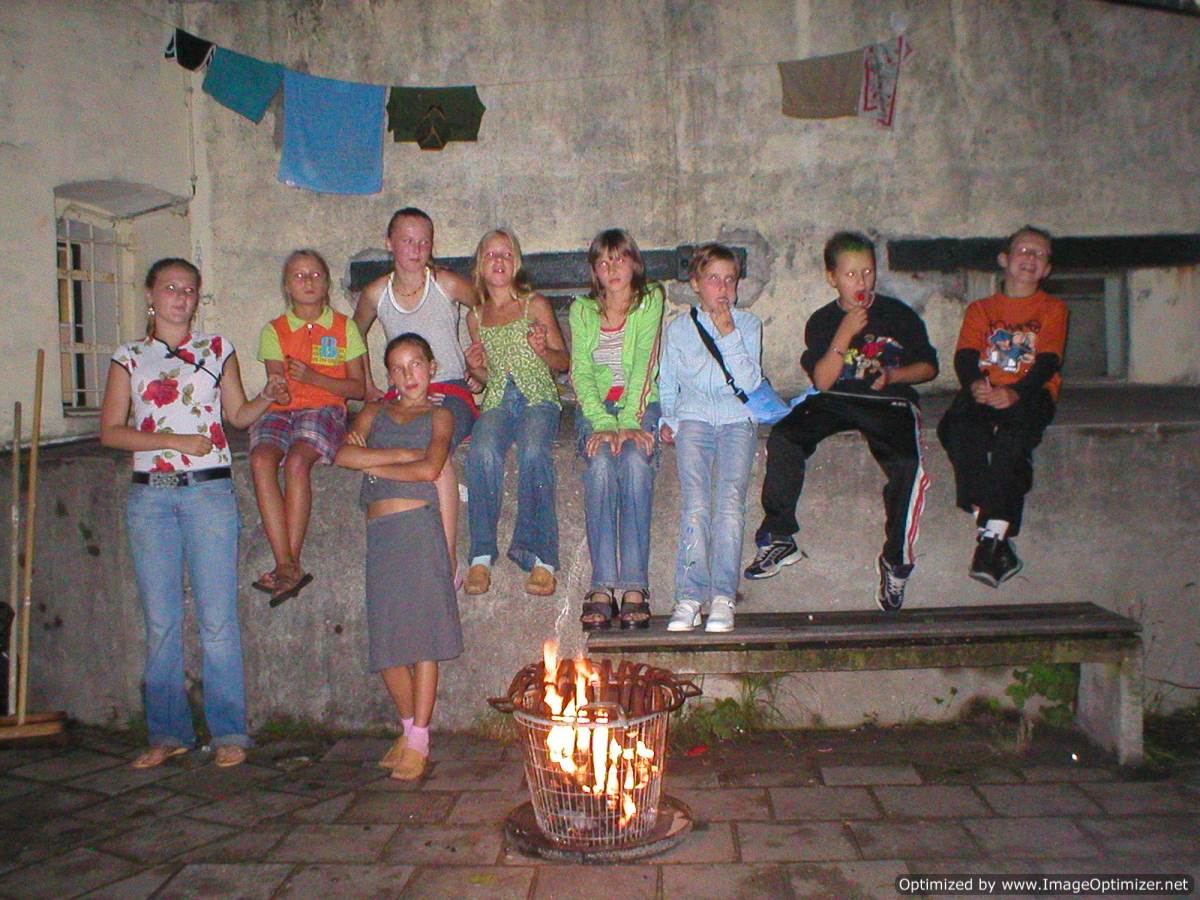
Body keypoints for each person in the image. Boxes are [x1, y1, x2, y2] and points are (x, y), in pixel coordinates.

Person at [100, 258, 288, 769]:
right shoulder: (129, 357)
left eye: (189, 289)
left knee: (218, 620)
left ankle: (229, 732)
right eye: (171, 288)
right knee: (162, 622)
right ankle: (168, 733)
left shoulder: (216, 349)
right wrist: (173, 441)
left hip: (208, 493)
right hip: (152, 497)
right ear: (150, 295)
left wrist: (268, 397)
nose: (181, 297)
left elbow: (237, 415)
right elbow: (111, 431)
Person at [744, 231, 938, 612]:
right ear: (832, 277)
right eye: (851, 274)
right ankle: (779, 536)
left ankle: (895, 561)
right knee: (785, 437)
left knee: (906, 464)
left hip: (888, 402)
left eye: (868, 272)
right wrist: (846, 331)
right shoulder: (822, 321)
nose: (861, 282)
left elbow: (929, 367)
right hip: (836, 398)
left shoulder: (898, 315)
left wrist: (894, 376)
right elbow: (822, 381)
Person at [335, 333, 463, 780]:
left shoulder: (440, 415)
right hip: (382, 534)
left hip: (420, 529)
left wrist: (371, 462)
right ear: (388, 375)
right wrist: (399, 454)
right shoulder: (374, 412)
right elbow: (342, 454)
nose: (408, 375)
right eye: (398, 367)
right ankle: (408, 731)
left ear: (431, 367)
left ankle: (420, 739)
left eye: (416, 364)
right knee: (387, 642)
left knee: (424, 639)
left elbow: (431, 468)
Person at [937, 226, 1067, 587]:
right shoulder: (982, 309)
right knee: (956, 427)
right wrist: (975, 385)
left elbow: (1047, 362)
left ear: (1047, 269)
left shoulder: (1053, 309)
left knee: (1013, 438)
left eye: (1039, 254)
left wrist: (1016, 393)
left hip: (1032, 391)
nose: (1030, 258)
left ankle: (991, 535)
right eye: (1023, 250)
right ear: (1004, 260)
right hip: (988, 387)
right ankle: (996, 537)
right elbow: (965, 355)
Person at [354, 208, 477, 581]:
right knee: (382, 436)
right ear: (390, 243)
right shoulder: (376, 293)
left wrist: (479, 361)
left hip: (448, 386)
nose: (417, 248)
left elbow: (488, 306)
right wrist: (366, 385)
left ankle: (448, 550)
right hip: (402, 392)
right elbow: (352, 337)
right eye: (407, 240)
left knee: (433, 444)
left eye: (424, 241)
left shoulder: (446, 284)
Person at [249, 249, 367, 606]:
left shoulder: (343, 327)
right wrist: (279, 389)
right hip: (281, 411)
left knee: (298, 462)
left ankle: (287, 565)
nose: (308, 282)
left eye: (315, 275)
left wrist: (315, 378)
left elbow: (358, 388)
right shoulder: (275, 330)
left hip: (323, 408)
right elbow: (276, 379)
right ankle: (286, 563)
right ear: (287, 286)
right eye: (299, 276)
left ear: (327, 283)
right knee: (261, 459)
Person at [659, 244, 762, 633]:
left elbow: (750, 382)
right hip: (694, 419)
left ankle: (722, 597)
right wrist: (670, 418)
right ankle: (689, 596)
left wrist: (728, 332)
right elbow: (668, 379)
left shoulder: (748, 325)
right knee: (696, 506)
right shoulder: (679, 329)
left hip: (737, 419)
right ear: (696, 283)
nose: (723, 288)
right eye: (714, 279)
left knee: (730, 505)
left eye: (730, 279)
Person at [462, 229, 569, 596]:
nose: (499, 260)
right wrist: (475, 369)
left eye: (506, 254)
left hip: (537, 395)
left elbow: (563, 361)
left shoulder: (533, 305)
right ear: (481, 264)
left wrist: (543, 350)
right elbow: (486, 378)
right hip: (498, 399)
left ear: (516, 262)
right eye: (491, 254)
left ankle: (542, 558)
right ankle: (480, 556)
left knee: (534, 451)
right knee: (481, 450)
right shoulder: (475, 316)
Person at [569, 229, 664, 631]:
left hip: (639, 404)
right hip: (595, 410)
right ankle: (602, 585)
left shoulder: (650, 300)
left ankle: (635, 587)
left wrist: (628, 422)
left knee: (636, 460)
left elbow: (644, 363)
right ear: (594, 270)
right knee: (601, 463)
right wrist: (604, 423)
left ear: (634, 263)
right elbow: (580, 371)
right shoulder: (582, 310)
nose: (612, 269)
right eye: (603, 262)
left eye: (620, 259)